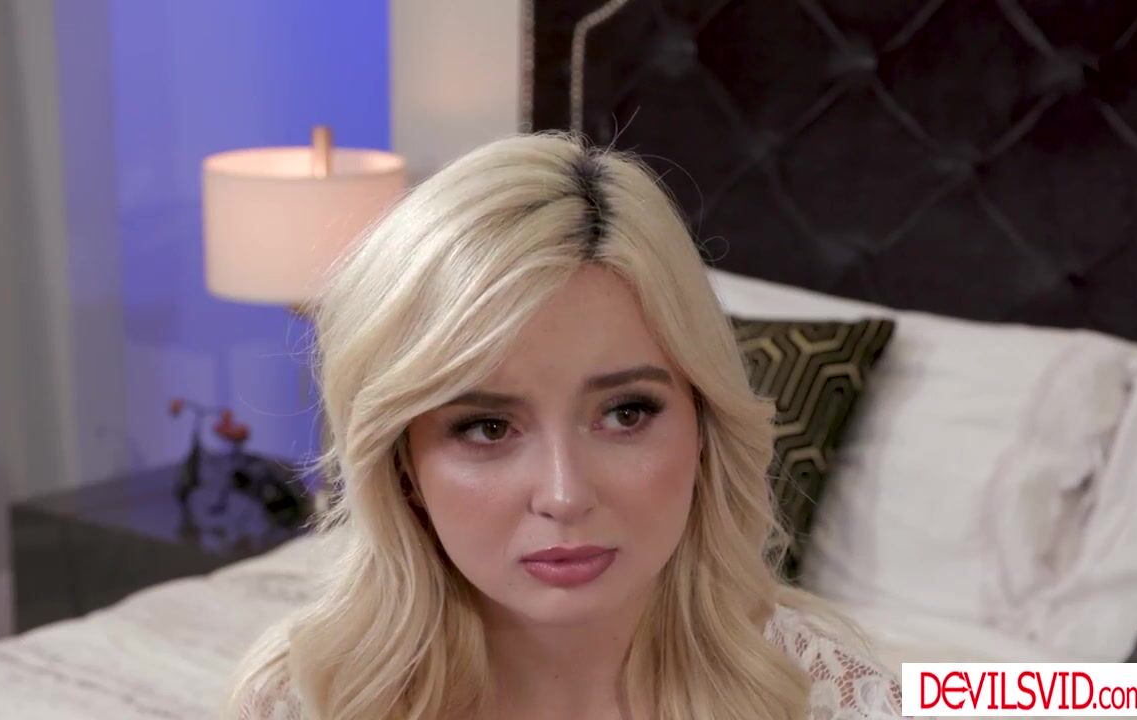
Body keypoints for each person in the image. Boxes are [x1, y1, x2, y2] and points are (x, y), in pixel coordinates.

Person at [224, 132, 902, 720]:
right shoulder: (304, 697)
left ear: (704, 429)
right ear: (403, 465)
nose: (564, 494)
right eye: (488, 428)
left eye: (626, 413)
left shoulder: (838, 694)